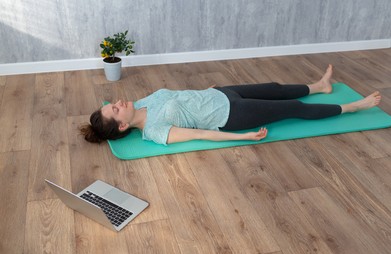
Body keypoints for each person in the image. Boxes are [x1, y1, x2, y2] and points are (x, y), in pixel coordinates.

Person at [79, 65, 381, 145]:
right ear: (122, 124)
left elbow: (179, 95)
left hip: (221, 93)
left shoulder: (143, 102)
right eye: (115, 109)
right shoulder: (155, 130)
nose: (118, 102)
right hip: (230, 115)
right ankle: (353, 108)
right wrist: (243, 136)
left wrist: (206, 89)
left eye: (114, 104)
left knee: (274, 89)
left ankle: (320, 86)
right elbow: (200, 135)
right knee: (292, 107)